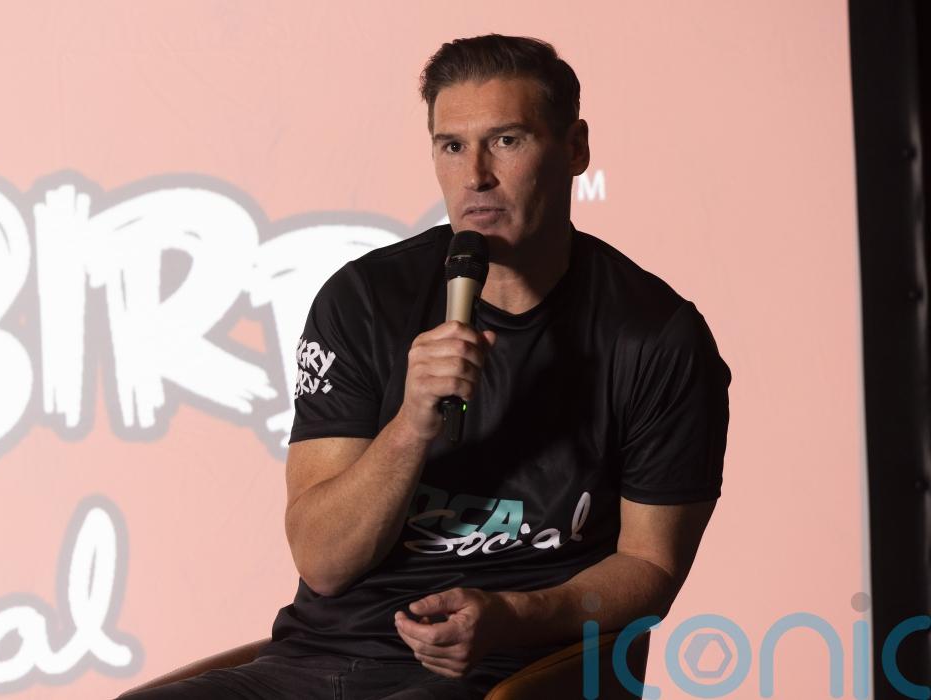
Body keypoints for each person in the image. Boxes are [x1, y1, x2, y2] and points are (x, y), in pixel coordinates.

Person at [119, 33, 730, 700]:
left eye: (507, 140)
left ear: (575, 148)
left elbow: (651, 567)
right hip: (320, 659)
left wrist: (515, 616)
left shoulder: (656, 336)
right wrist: (410, 425)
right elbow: (323, 562)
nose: (476, 176)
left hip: (510, 670)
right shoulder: (363, 301)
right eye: (452, 146)